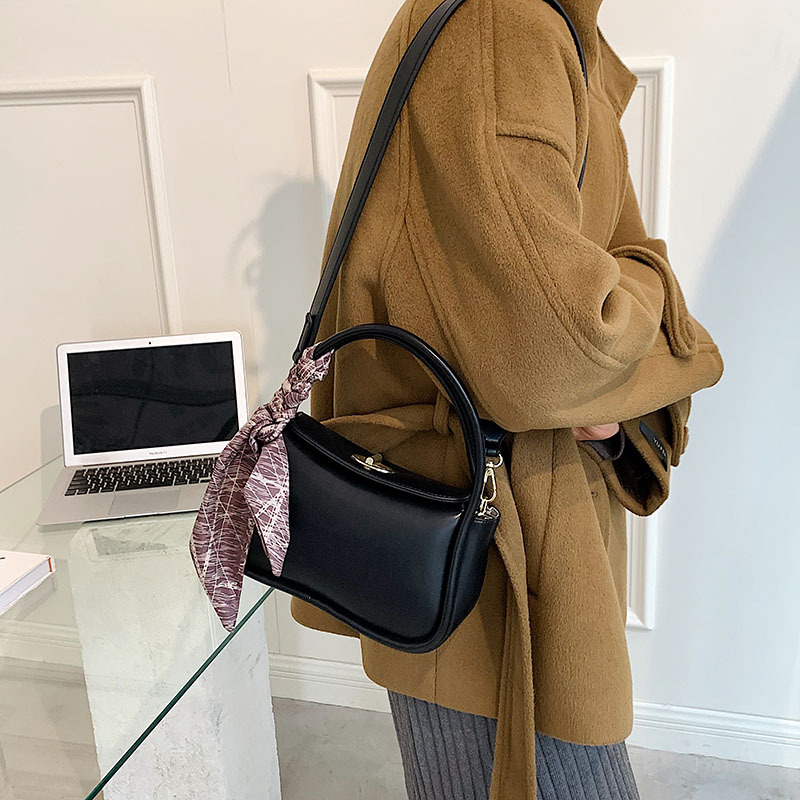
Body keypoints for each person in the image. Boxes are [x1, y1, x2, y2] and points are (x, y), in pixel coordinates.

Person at [290, 0, 724, 797]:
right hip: (496, 560)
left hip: (485, 528)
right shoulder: (502, 25)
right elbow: (565, 356)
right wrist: (654, 288)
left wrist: (602, 353)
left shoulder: (529, 23)